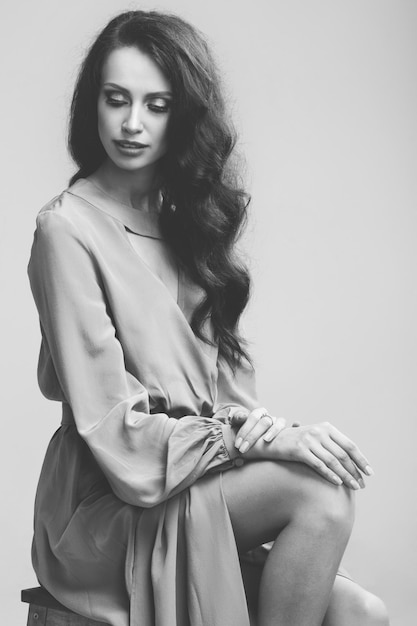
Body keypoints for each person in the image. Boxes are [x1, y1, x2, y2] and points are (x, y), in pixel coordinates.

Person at [27, 10, 389, 626]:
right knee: (322, 499)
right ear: (94, 105)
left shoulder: (187, 222)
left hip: (193, 476)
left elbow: (230, 397)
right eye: (116, 100)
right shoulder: (66, 228)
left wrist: (264, 432)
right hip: (111, 503)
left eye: (157, 104)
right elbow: (111, 427)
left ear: (184, 114)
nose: (132, 123)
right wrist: (252, 441)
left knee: (364, 612)